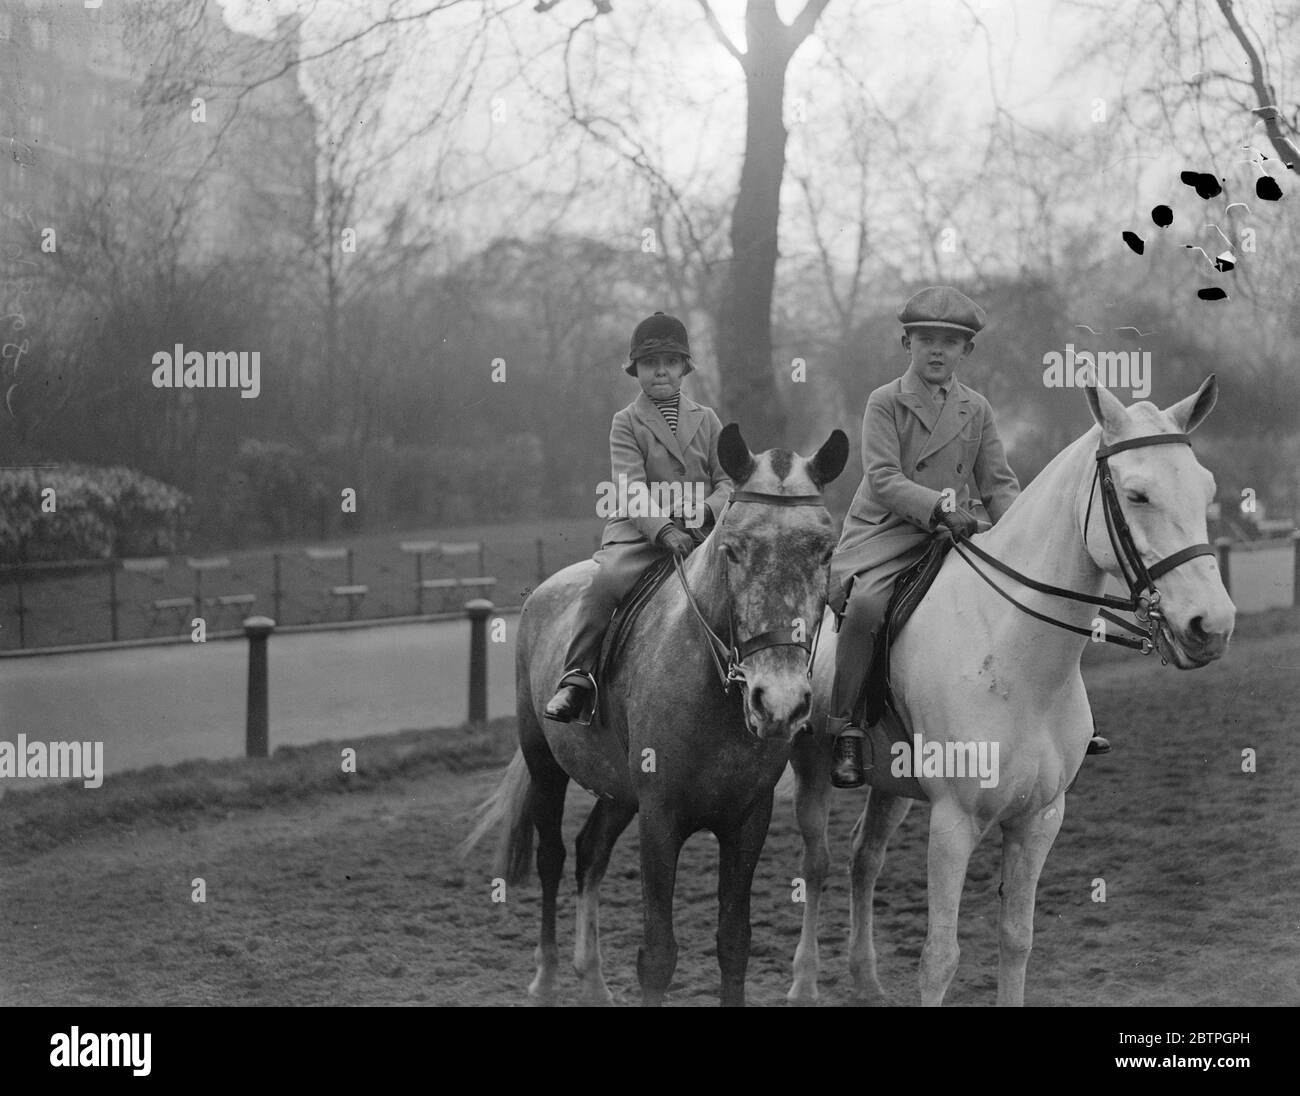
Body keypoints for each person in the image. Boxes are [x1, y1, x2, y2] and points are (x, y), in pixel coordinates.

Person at [824, 286, 1030, 788]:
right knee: (868, 608)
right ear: (907, 344)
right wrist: (939, 507)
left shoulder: (976, 409)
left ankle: (1041, 716)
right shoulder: (885, 402)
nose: (937, 351)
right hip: (886, 535)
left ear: (966, 351)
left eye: (950, 342)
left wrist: (1022, 538)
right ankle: (844, 726)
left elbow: (998, 484)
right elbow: (884, 479)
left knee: (1019, 600)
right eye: (926, 340)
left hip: (951, 535)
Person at [544, 311, 733, 722]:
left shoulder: (709, 419)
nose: (660, 371)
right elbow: (629, 487)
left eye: (669, 362)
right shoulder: (626, 422)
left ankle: (762, 677)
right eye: (650, 364)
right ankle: (577, 677)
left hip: (701, 533)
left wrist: (705, 511)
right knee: (605, 583)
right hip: (640, 533)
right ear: (637, 371)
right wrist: (663, 529)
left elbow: (728, 483)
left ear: (684, 367)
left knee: (745, 582)